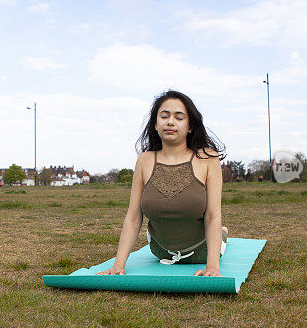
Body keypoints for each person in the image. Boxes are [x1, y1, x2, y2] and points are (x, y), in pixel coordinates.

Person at [97, 90, 227, 277]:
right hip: (161, 252)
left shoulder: (207, 158)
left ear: (190, 126)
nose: (170, 122)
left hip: (202, 250)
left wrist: (213, 268)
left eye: (179, 117)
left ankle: (223, 235)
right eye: (164, 116)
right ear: (156, 125)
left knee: (218, 230)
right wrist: (118, 266)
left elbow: (213, 215)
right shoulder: (144, 160)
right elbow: (133, 216)